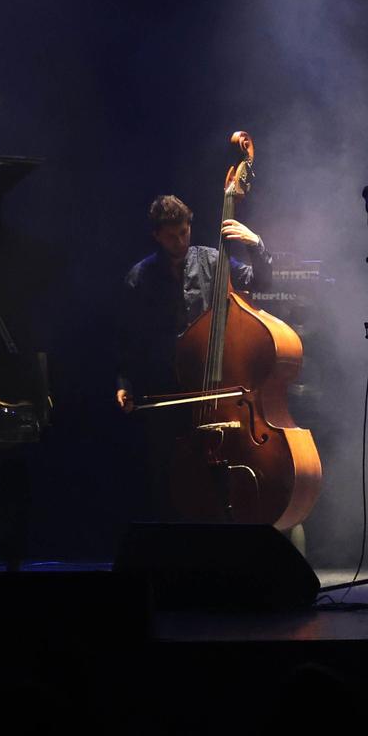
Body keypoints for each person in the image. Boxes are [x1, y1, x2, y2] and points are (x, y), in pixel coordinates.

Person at [116, 195, 271, 510]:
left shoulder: (213, 261)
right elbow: (128, 339)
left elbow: (261, 282)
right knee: (166, 474)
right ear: (157, 235)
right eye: (171, 236)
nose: (179, 241)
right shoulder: (140, 277)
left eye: (184, 233)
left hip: (211, 384)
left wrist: (256, 244)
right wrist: (123, 382)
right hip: (164, 389)